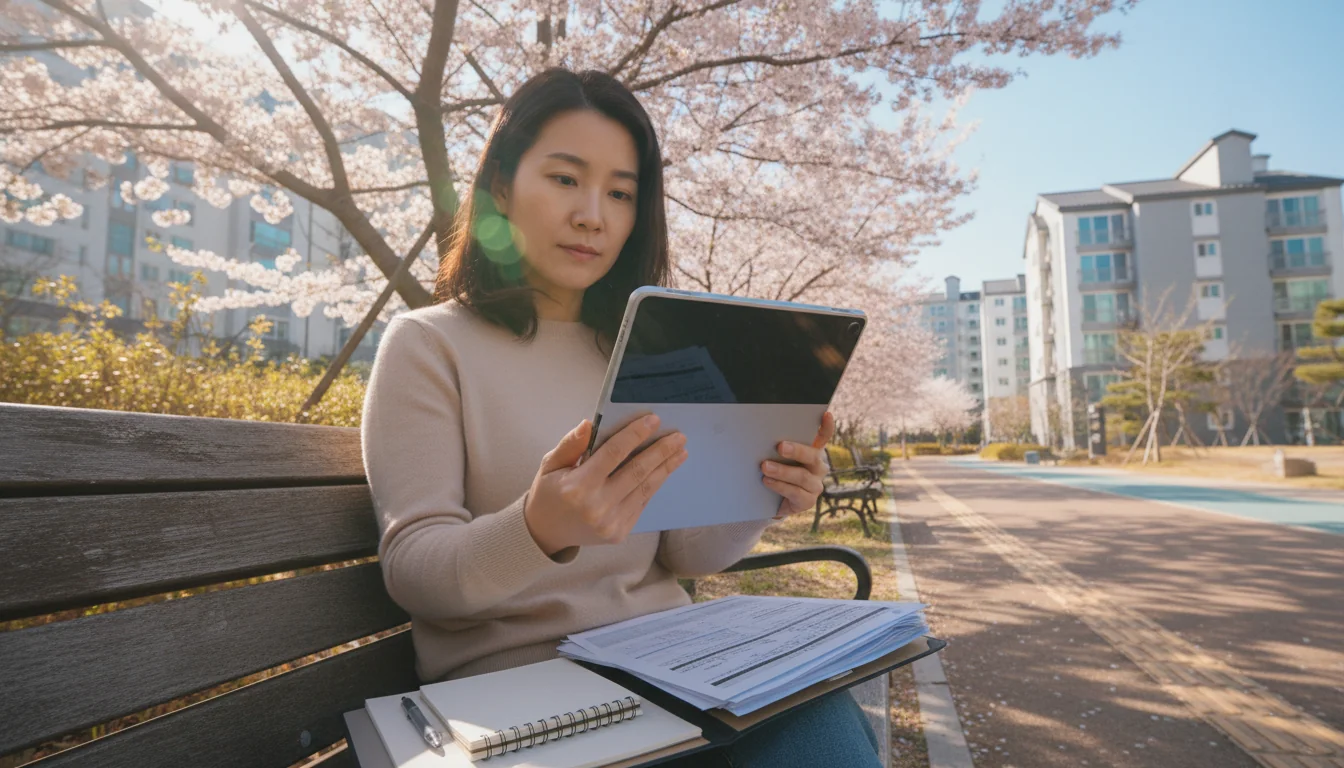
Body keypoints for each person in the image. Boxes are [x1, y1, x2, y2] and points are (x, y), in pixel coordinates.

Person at [361, 67, 881, 768]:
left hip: (676, 668)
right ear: (503, 186)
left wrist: (764, 492)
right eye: (565, 179)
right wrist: (539, 529)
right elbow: (416, 572)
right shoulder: (429, 345)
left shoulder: (644, 348)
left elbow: (686, 554)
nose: (592, 216)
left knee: (823, 725)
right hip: (523, 700)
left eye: (620, 193)